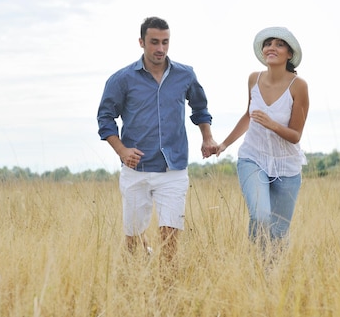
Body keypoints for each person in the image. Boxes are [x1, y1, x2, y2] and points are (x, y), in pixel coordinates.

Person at [97, 16, 217, 262]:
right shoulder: (122, 79)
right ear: (141, 42)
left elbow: (200, 108)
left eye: (165, 42)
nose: (160, 48)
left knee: (170, 238)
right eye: (154, 42)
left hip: (173, 168)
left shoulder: (185, 75)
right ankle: (139, 272)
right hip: (135, 169)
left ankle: (167, 288)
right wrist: (121, 150)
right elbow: (105, 117)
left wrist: (207, 138)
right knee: (132, 239)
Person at [216, 26, 309, 248]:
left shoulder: (299, 86)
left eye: (279, 44)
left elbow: (295, 135)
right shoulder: (253, 80)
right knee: (260, 216)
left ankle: (270, 277)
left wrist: (272, 125)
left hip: (286, 166)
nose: (271, 48)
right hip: (253, 158)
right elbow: (248, 116)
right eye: (268, 44)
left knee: (278, 233)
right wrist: (224, 144)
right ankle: (255, 268)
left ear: (289, 54)